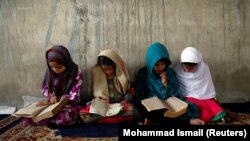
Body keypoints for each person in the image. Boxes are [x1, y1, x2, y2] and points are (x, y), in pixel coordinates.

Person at [134, 42, 205, 125]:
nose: (159, 68)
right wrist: (148, 104)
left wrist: (165, 83)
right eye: (156, 65)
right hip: (153, 106)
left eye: (162, 64)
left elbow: (177, 94)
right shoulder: (143, 73)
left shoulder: (170, 73)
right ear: (150, 62)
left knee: (194, 109)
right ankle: (187, 122)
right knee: (143, 109)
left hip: (169, 104)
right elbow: (140, 94)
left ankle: (153, 120)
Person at [23, 45, 83, 126]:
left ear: (66, 62)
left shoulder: (76, 72)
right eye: (53, 67)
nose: (55, 70)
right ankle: (51, 119)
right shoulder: (50, 72)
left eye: (59, 67)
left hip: (68, 104)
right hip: (52, 104)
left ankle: (53, 119)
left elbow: (75, 93)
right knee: (32, 116)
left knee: (65, 117)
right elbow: (45, 88)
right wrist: (51, 95)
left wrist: (62, 99)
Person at [80, 49, 139, 124]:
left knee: (131, 110)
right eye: (104, 69)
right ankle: (111, 118)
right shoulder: (98, 76)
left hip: (119, 104)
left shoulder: (122, 76)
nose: (108, 72)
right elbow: (97, 95)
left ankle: (104, 119)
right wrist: (99, 100)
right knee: (87, 110)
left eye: (111, 69)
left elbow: (129, 91)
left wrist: (126, 99)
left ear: (116, 66)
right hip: (104, 104)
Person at [174, 47, 226, 123]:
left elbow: (206, 88)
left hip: (203, 94)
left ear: (197, 64)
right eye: (185, 67)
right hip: (188, 95)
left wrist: (201, 94)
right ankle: (208, 115)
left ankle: (217, 113)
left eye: (191, 68)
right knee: (201, 110)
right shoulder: (177, 69)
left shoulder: (203, 68)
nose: (187, 70)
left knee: (209, 100)